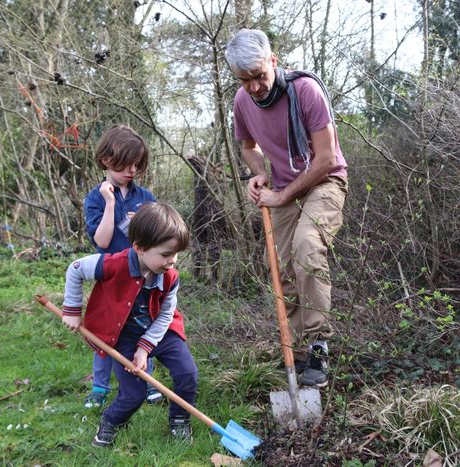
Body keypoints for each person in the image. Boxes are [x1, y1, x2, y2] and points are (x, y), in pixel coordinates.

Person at [225, 29, 348, 388]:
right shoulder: (242, 100)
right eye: (244, 80)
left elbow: (325, 159)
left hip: (325, 181)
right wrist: (259, 173)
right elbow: (249, 146)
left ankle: (320, 343)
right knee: (279, 265)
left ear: (273, 61)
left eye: (259, 76)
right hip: (282, 186)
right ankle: (298, 351)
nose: (254, 87)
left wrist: (280, 196)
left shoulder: (305, 91)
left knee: (307, 247)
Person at [62, 202, 198, 447]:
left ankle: (179, 419)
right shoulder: (113, 264)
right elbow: (75, 269)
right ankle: (110, 422)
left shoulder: (170, 277)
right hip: (123, 336)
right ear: (139, 248)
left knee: (187, 374)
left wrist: (145, 348)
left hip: (161, 330)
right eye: (166, 254)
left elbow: (166, 314)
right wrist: (72, 311)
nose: (172, 261)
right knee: (134, 394)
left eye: (176, 254)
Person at [83, 124, 163, 408]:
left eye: (137, 164)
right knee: (106, 333)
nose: (131, 170)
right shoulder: (94, 199)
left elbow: (156, 238)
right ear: (106, 160)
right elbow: (102, 242)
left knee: (143, 330)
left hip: (143, 278)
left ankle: (147, 383)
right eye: (125, 164)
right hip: (111, 277)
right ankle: (100, 387)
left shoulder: (146, 198)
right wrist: (109, 203)